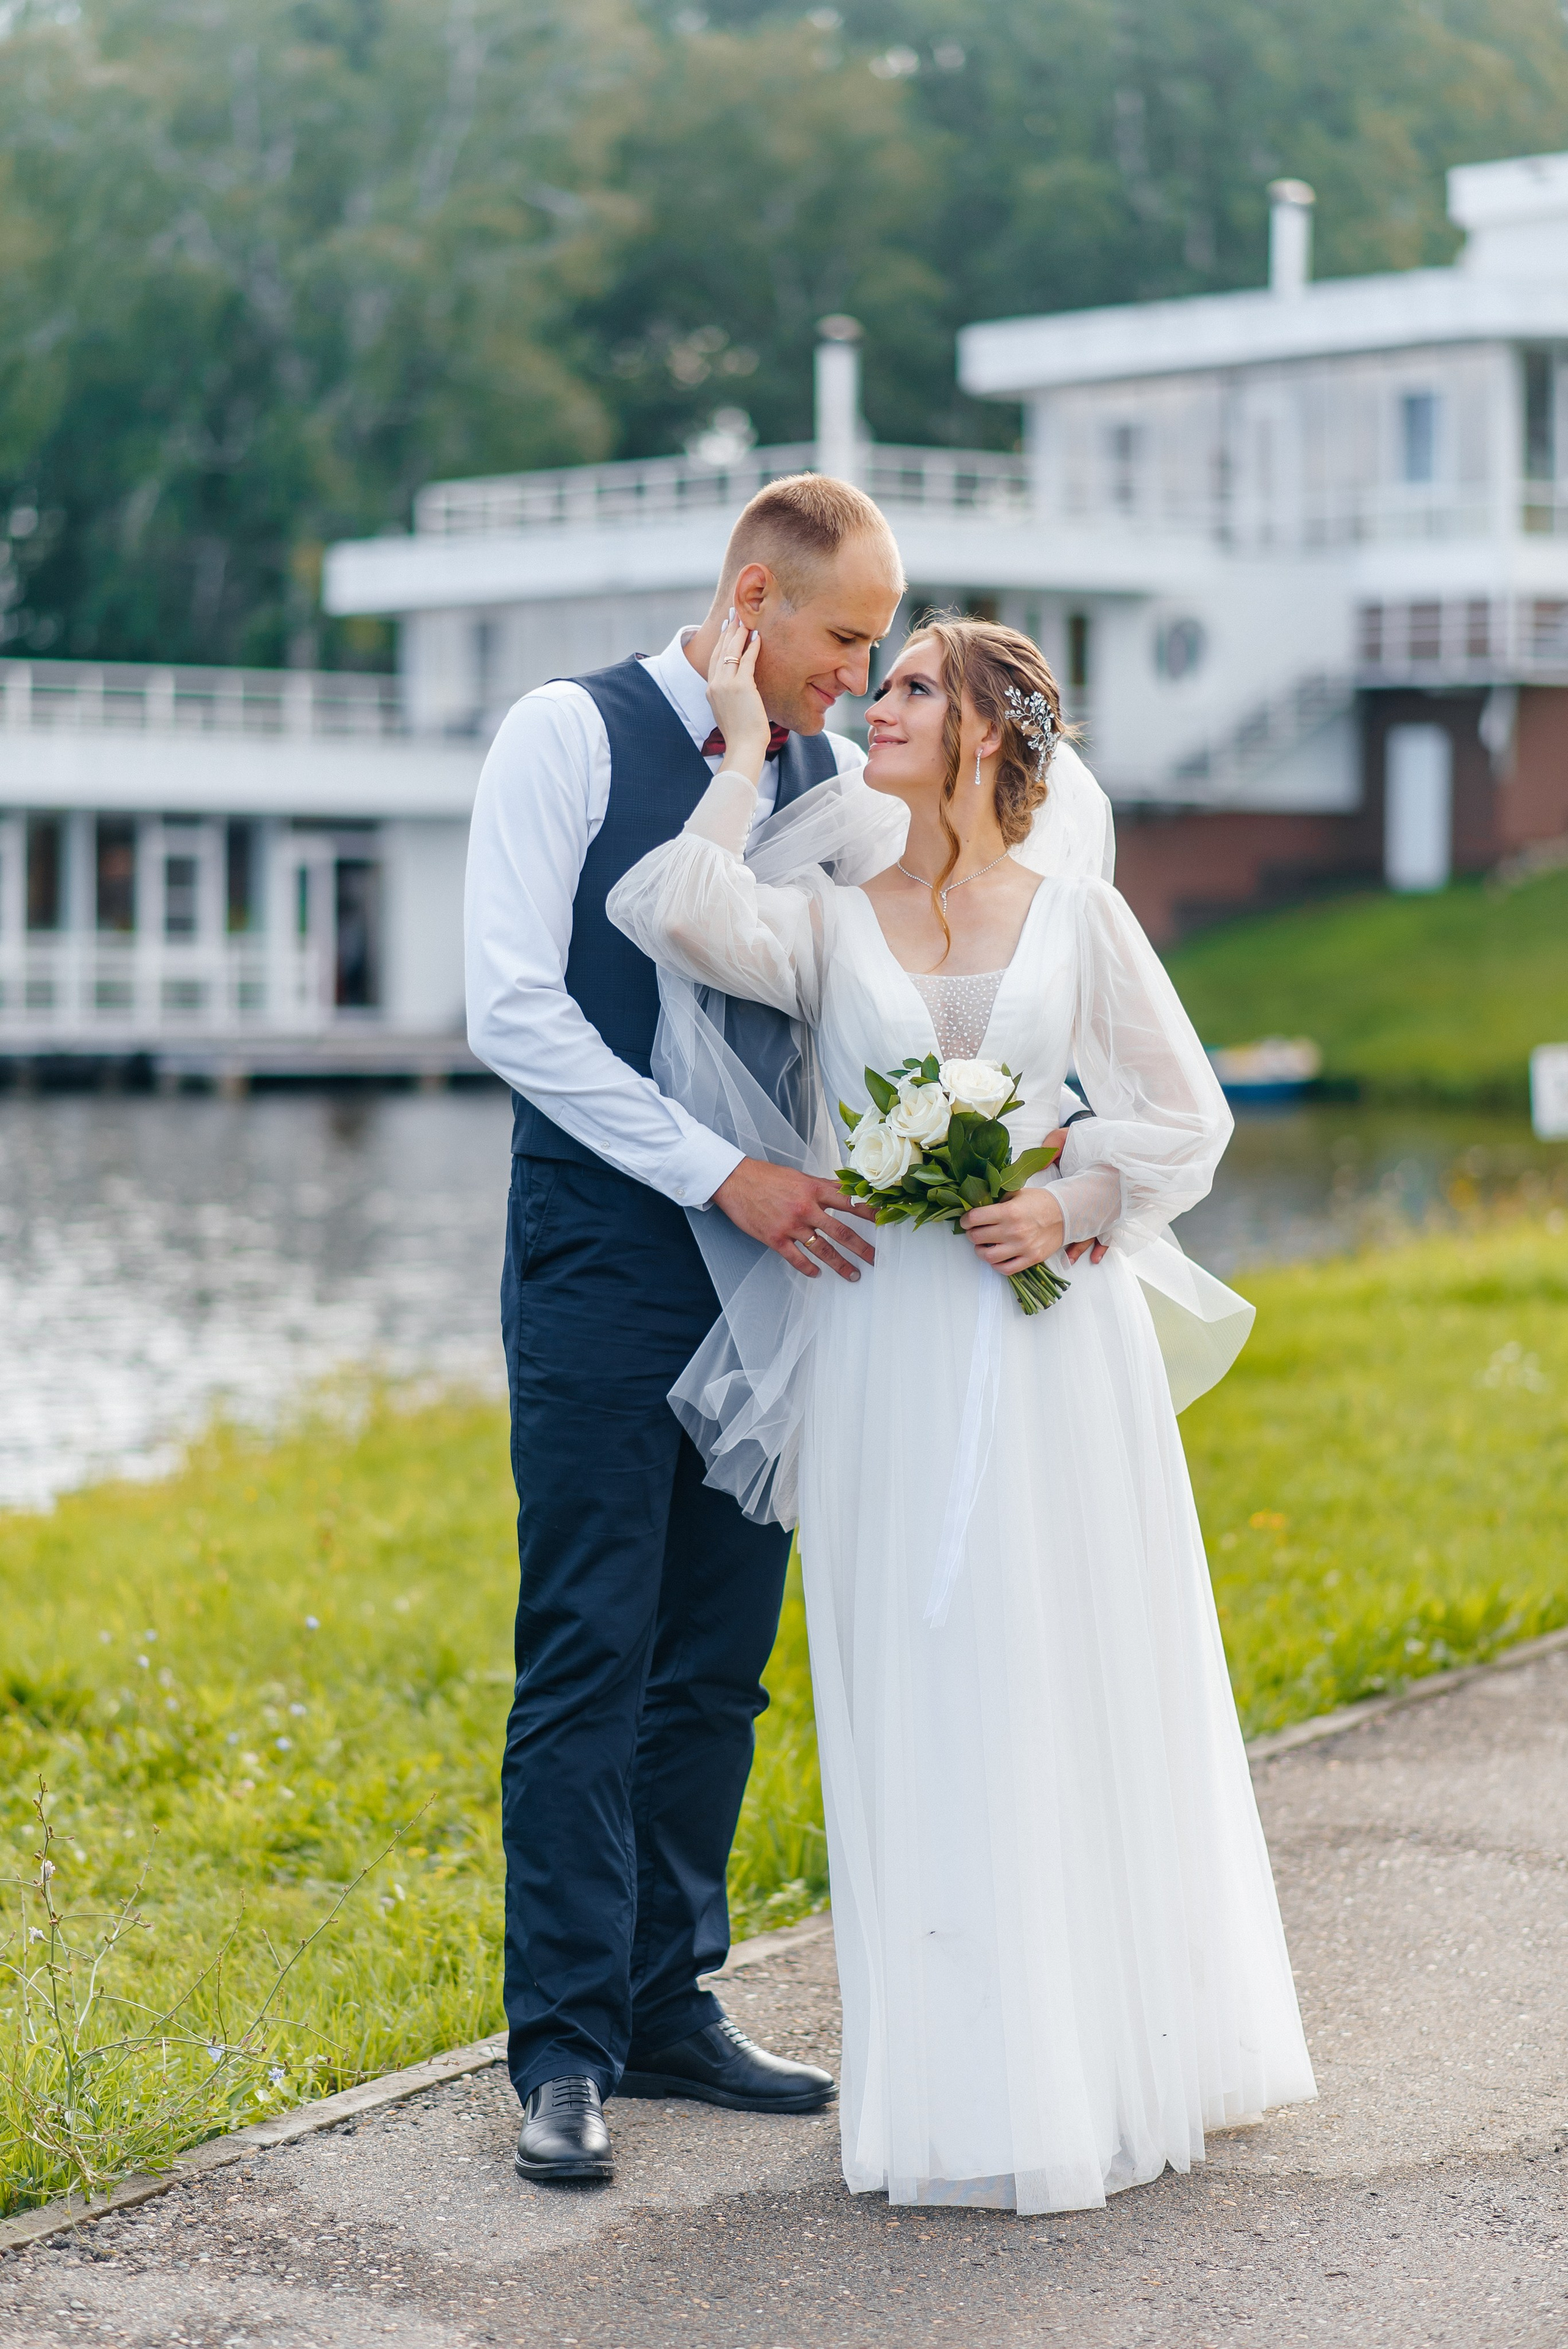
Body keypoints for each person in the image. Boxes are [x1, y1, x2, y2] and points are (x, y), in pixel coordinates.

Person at [607, 613, 1317, 2212]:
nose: (880, 703)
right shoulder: (824, 920)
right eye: (886, 680)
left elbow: (1184, 1117)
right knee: (919, 1675)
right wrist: (740, 750)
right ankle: (957, 2083)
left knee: (1064, 1661)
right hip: (888, 1342)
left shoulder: (1079, 917)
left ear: (992, 730)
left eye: (917, 685)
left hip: (1051, 1342)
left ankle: (1107, 2056)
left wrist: (1072, 1200)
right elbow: (671, 906)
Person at [464, 475, 906, 2183]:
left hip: (780, 1266)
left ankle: (667, 2002)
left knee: (719, 1656)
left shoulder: (826, 779)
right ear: (753, 600)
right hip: (602, 1252)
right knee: (591, 1643)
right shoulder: (563, 735)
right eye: (843, 638)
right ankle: (564, 2048)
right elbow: (514, 1007)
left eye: (879, 647)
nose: (858, 677)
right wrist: (724, 1175)